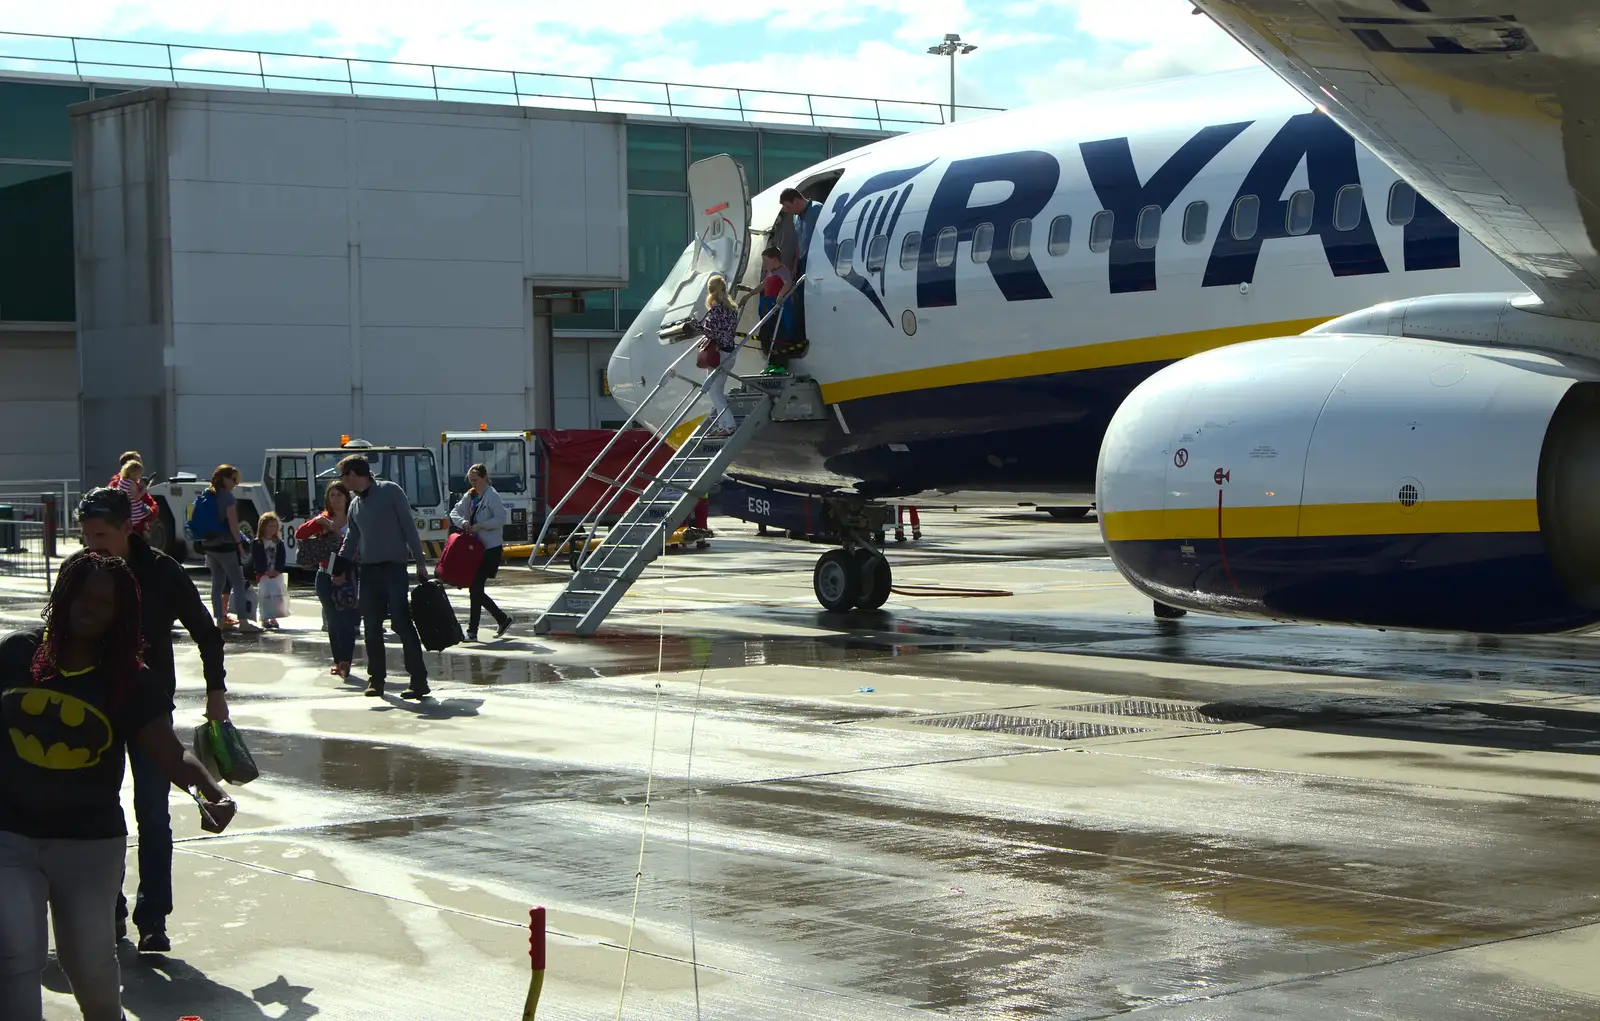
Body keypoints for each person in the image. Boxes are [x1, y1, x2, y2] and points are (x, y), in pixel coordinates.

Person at [0, 551, 237, 1021]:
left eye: (104, 602)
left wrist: (213, 792)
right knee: (15, 955)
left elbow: (169, 751)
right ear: (62, 597)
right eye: (80, 595)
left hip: (89, 843)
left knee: (89, 964)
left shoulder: (130, 679)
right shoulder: (15, 655)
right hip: (9, 835)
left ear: (120, 613)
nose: (89, 607)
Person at [75, 487, 229, 952]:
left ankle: (153, 918)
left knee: (153, 815)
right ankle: (110, 910)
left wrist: (216, 691)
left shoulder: (163, 572)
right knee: (99, 813)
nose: (91, 545)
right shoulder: (81, 572)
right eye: (85, 536)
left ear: (129, 528)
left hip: (148, 707)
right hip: (93, 706)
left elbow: (207, 632)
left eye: (100, 534)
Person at [332, 454, 430, 700]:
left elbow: (409, 527)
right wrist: (338, 568)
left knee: (401, 624)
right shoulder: (355, 504)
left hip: (394, 569)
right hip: (369, 572)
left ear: (353, 475)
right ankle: (376, 680)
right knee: (371, 627)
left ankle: (418, 681)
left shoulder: (390, 491)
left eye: (343, 476)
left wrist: (420, 563)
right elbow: (351, 539)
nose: (342, 482)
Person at [296, 481, 360, 680]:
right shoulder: (323, 519)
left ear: (347, 497)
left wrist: (343, 570)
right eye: (332, 496)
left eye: (339, 495)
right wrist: (318, 522)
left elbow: (357, 547)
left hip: (349, 574)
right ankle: (338, 661)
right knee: (333, 620)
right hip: (325, 574)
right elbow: (300, 534)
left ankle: (346, 661)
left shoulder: (355, 517)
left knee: (348, 621)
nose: (336, 499)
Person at [449, 464, 513, 642]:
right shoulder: (470, 496)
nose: (473, 483)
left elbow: (501, 518)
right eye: (471, 480)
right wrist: (463, 523)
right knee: (475, 589)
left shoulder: (492, 496)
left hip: (490, 549)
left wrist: (482, 525)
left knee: (475, 588)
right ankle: (500, 620)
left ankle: (474, 630)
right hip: (474, 550)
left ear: (485, 478)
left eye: (475, 480)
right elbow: (454, 512)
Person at [201, 465, 259, 633]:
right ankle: (243, 622)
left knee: (216, 584)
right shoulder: (228, 498)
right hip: (226, 546)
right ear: (224, 479)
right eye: (233, 479)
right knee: (238, 583)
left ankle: (219, 619)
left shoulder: (207, 494)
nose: (235, 483)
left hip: (210, 545)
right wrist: (240, 545)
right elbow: (234, 525)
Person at [696, 274, 740, 436]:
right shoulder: (732, 309)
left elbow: (711, 333)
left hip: (718, 354)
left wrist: (697, 327)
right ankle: (723, 425)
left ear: (710, 291)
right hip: (730, 352)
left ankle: (729, 425)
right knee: (718, 390)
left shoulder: (715, 310)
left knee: (713, 391)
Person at [249, 512, 288, 630]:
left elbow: (282, 558)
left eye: (275, 526)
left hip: (276, 573)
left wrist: (278, 570)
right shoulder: (257, 543)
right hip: (263, 574)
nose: (272, 529)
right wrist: (263, 571)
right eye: (270, 526)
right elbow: (256, 559)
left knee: (276, 596)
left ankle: (274, 617)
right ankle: (265, 618)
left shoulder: (279, 543)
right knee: (265, 596)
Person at [108, 451, 159, 534]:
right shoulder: (130, 483)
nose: (141, 464)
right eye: (138, 461)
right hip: (133, 529)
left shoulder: (119, 482)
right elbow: (151, 504)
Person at [115, 460, 153, 535]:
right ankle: (145, 527)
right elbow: (136, 497)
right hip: (134, 507)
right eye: (138, 474)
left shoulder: (122, 480)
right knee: (149, 511)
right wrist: (143, 490)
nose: (139, 476)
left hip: (125, 505)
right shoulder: (131, 483)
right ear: (132, 473)